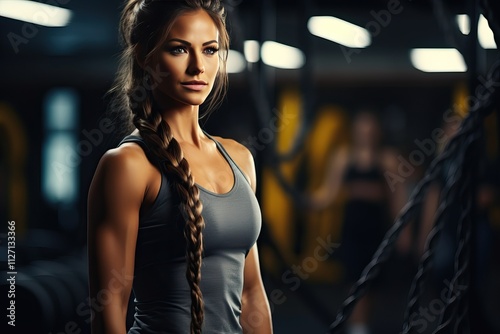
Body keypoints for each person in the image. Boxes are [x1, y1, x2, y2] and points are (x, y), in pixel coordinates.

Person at [87, 1, 273, 333]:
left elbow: (251, 293)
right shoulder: (128, 165)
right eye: (179, 49)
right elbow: (109, 304)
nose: (198, 66)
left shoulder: (240, 159)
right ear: (146, 56)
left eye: (210, 49)